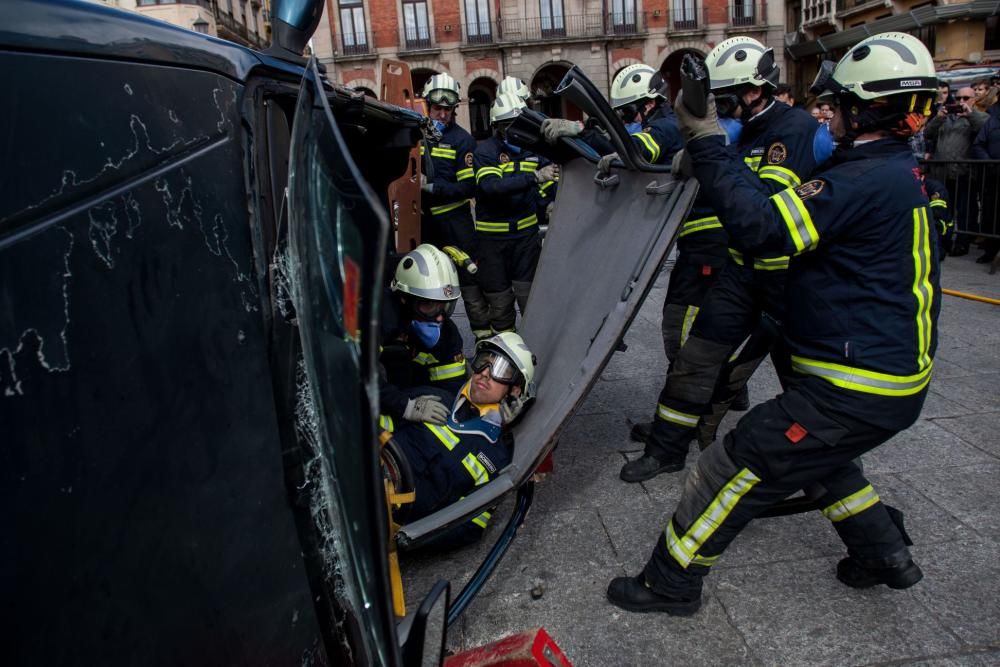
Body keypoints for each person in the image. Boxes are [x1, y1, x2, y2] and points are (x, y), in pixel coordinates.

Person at [608, 32, 940, 616]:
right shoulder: (884, 170)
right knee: (823, 463)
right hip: (873, 378)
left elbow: (764, 226)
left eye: (838, 105)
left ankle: (669, 583)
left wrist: (708, 139)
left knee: (735, 462)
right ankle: (882, 553)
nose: (826, 114)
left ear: (868, 109)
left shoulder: (860, 181)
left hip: (854, 385)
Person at [621, 36, 833, 482]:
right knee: (694, 359)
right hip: (741, 271)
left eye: (723, 98)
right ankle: (666, 448)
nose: (715, 107)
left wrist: (713, 150)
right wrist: (703, 152)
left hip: (786, 283)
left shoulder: (792, 130)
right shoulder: (746, 129)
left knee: (801, 386)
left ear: (755, 91)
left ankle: (829, 474)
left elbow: (768, 208)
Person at [383, 332, 537, 549]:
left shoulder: (495, 458)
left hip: (388, 521)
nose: (485, 373)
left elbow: (470, 526)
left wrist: (410, 538)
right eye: (484, 361)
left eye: (500, 370)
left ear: (515, 390)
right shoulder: (431, 398)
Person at [472, 93, 558, 334]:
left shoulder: (534, 150)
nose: (514, 131)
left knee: (531, 301)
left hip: (526, 241)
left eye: (517, 124)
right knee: (499, 306)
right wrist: (533, 177)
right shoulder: (485, 152)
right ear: (497, 127)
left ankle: (536, 353)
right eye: (507, 125)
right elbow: (491, 187)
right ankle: (504, 354)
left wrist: (550, 202)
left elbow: (548, 182)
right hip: (493, 244)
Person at [419, 73, 491, 338]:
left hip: (456, 224)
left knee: (471, 282)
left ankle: (483, 339)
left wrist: (433, 188)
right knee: (427, 284)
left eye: (447, 110)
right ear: (429, 106)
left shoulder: (463, 141)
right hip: (426, 225)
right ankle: (433, 341)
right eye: (437, 108)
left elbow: (468, 187)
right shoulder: (418, 135)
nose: (442, 115)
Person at [379, 244, 469, 427]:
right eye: (429, 305)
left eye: (445, 306)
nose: (439, 316)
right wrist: (405, 406)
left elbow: (454, 387)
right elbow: (355, 373)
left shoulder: (447, 333)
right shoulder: (378, 318)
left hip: (407, 386)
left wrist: (484, 410)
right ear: (404, 298)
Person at [538, 63, 682, 167]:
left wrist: (580, 129)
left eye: (628, 112)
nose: (626, 119)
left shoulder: (665, 128)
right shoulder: (667, 122)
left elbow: (633, 151)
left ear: (649, 104)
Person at [924, 86, 988, 256]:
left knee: (966, 210)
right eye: (958, 98)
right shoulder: (945, 117)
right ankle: (944, 241)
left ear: (974, 100)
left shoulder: (979, 116)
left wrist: (970, 114)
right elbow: (927, 133)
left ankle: (962, 243)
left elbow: (986, 131)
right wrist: (938, 118)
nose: (961, 102)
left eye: (966, 98)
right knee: (945, 210)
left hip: (964, 172)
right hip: (942, 172)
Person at [972, 94, 1000, 263]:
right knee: (991, 214)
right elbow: (978, 144)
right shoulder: (993, 120)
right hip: (993, 176)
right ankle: (990, 250)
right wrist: (990, 163)